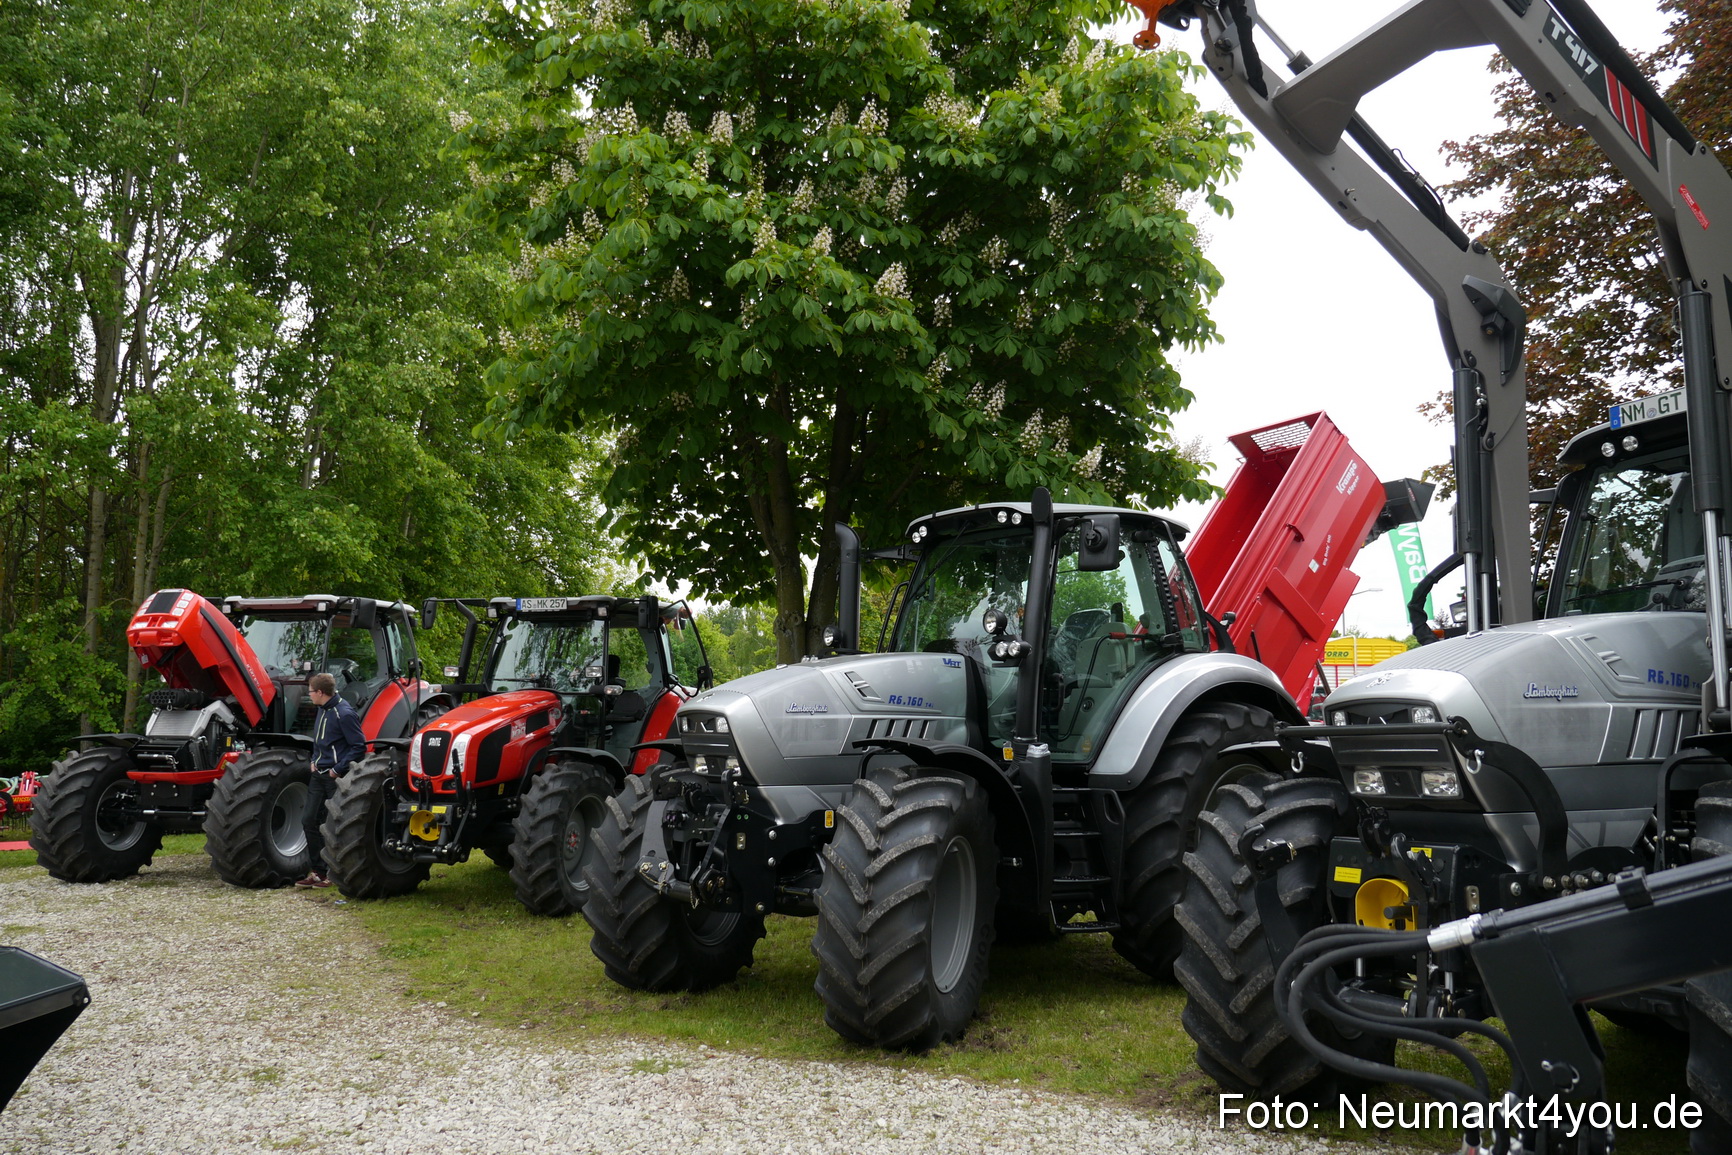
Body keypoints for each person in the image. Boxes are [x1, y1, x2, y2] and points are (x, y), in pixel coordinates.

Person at [295, 672, 366, 888]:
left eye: (310, 692)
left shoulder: (344, 713)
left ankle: (336, 873)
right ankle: (318, 873)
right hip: (318, 775)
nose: (309, 695)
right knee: (308, 820)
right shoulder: (322, 709)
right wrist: (314, 760)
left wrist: (337, 770)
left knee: (335, 826)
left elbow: (358, 747)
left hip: (335, 778)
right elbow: (319, 740)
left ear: (320, 692)